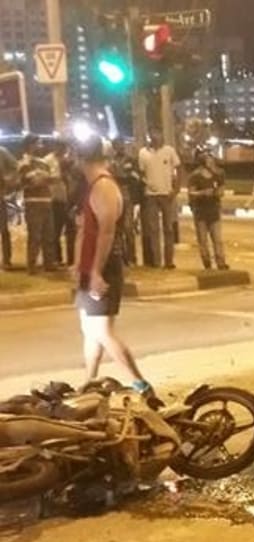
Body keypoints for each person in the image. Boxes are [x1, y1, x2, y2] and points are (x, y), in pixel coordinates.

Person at [73, 134, 154, 397]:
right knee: (90, 328)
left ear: (80, 158)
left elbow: (106, 232)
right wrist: (79, 265)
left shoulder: (104, 186)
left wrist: (95, 271)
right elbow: (86, 230)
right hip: (91, 267)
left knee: (102, 330)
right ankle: (89, 382)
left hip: (103, 267)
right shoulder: (95, 184)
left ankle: (141, 384)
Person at [138, 128, 181, 269]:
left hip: (167, 194)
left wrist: (175, 189)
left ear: (162, 135)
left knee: (168, 229)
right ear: (149, 135)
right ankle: (157, 261)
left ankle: (169, 261)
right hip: (150, 195)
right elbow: (141, 173)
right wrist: (147, 184)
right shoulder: (143, 153)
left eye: (158, 133)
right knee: (153, 229)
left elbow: (178, 169)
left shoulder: (169, 151)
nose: (155, 136)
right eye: (152, 133)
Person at [18, 135, 57, 274]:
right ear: (29, 145)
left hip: (46, 201)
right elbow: (33, 182)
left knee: (49, 235)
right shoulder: (24, 163)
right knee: (35, 236)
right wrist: (44, 180)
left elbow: (52, 179)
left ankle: (49, 263)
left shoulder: (43, 163)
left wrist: (43, 179)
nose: (40, 146)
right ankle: (32, 265)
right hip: (33, 203)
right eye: (37, 143)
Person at [187, 148, 229, 270]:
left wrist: (217, 193)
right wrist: (203, 193)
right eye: (207, 159)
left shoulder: (219, 174)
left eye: (211, 158)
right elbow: (191, 193)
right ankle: (207, 263)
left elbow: (222, 190)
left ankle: (221, 262)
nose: (210, 161)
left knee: (217, 239)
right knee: (203, 240)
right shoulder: (195, 176)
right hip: (200, 211)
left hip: (214, 210)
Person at [110, 138, 143, 266]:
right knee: (116, 229)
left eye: (121, 145)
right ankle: (120, 257)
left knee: (128, 228)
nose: (120, 147)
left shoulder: (130, 160)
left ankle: (131, 256)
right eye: (117, 145)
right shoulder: (110, 161)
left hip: (127, 197)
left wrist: (125, 176)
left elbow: (135, 177)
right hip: (114, 196)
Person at [43, 140, 75, 266]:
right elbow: (46, 178)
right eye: (60, 147)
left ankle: (71, 259)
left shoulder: (69, 161)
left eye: (64, 148)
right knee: (55, 230)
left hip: (69, 199)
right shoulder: (47, 160)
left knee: (71, 231)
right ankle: (57, 258)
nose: (62, 151)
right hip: (55, 199)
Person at [0, 144, 18, 270]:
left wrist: (8, 179)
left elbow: (15, 166)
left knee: (3, 229)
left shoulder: (1, 151)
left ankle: (6, 260)